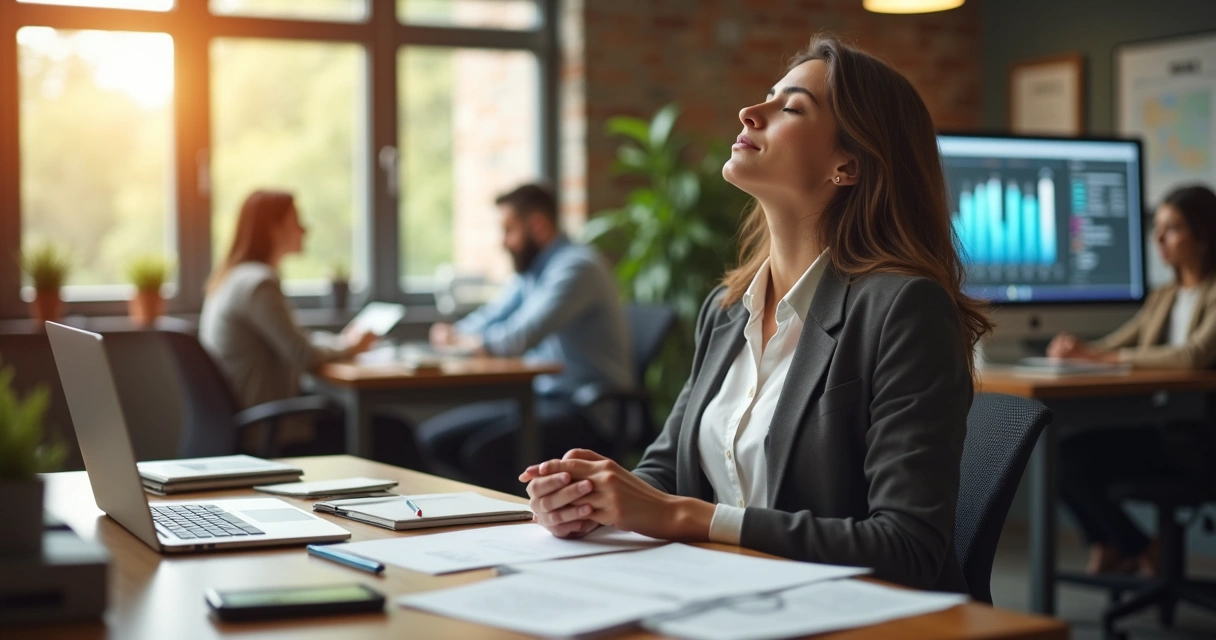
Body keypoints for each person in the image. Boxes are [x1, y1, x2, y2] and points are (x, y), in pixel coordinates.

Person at [519, 34, 992, 593]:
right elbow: (665, 474)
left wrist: (688, 517)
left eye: (790, 107)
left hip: (849, 617)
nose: (750, 111)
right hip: (726, 599)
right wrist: (588, 501)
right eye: (768, 95)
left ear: (848, 165)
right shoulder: (725, 311)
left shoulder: (903, 309)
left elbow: (906, 547)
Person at [418, 183, 633, 492]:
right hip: (539, 400)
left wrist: (468, 343)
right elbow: (495, 314)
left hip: (585, 411)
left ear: (538, 226)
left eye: (509, 230)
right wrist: (458, 333)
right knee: (435, 439)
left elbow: (519, 337)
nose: (503, 242)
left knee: (482, 454)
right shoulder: (532, 272)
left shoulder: (576, 267)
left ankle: (513, 525)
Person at [1046, 185, 1216, 576]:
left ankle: (1133, 548)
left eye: (1171, 228)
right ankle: (1120, 545)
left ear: (1203, 237)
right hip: (1164, 430)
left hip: (1199, 441)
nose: (1158, 239)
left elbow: (1192, 357)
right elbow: (1116, 344)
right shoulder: (1164, 296)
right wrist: (1077, 351)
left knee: (1074, 460)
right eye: (1156, 228)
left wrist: (1103, 356)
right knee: (1062, 457)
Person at [200, 190, 410, 462]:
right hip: (271, 431)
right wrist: (351, 346)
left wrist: (341, 343)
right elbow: (302, 353)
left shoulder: (235, 279)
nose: (304, 229)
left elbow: (295, 340)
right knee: (395, 433)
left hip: (246, 423)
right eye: (296, 221)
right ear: (274, 229)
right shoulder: (259, 284)